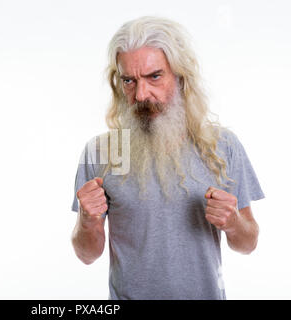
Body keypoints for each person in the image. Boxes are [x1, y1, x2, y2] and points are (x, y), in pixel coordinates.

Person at [70, 16, 265, 300]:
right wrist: (88, 221)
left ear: (181, 75)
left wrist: (233, 222)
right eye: (129, 80)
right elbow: (87, 255)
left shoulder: (221, 146)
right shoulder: (102, 151)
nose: (141, 94)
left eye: (155, 76)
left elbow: (248, 243)